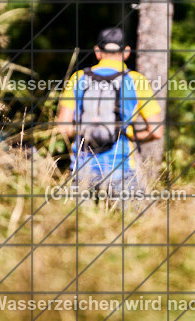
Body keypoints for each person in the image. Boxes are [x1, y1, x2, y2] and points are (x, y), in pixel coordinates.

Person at [56, 27, 162, 201]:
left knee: (77, 227)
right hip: (121, 170)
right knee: (132, 225)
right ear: (126, 52)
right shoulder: (136, 81)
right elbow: (156, 131)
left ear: (98, 51)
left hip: (82, 170)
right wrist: (130, 135)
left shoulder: (78, 78)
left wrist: (87, 131)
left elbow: (63, 128)